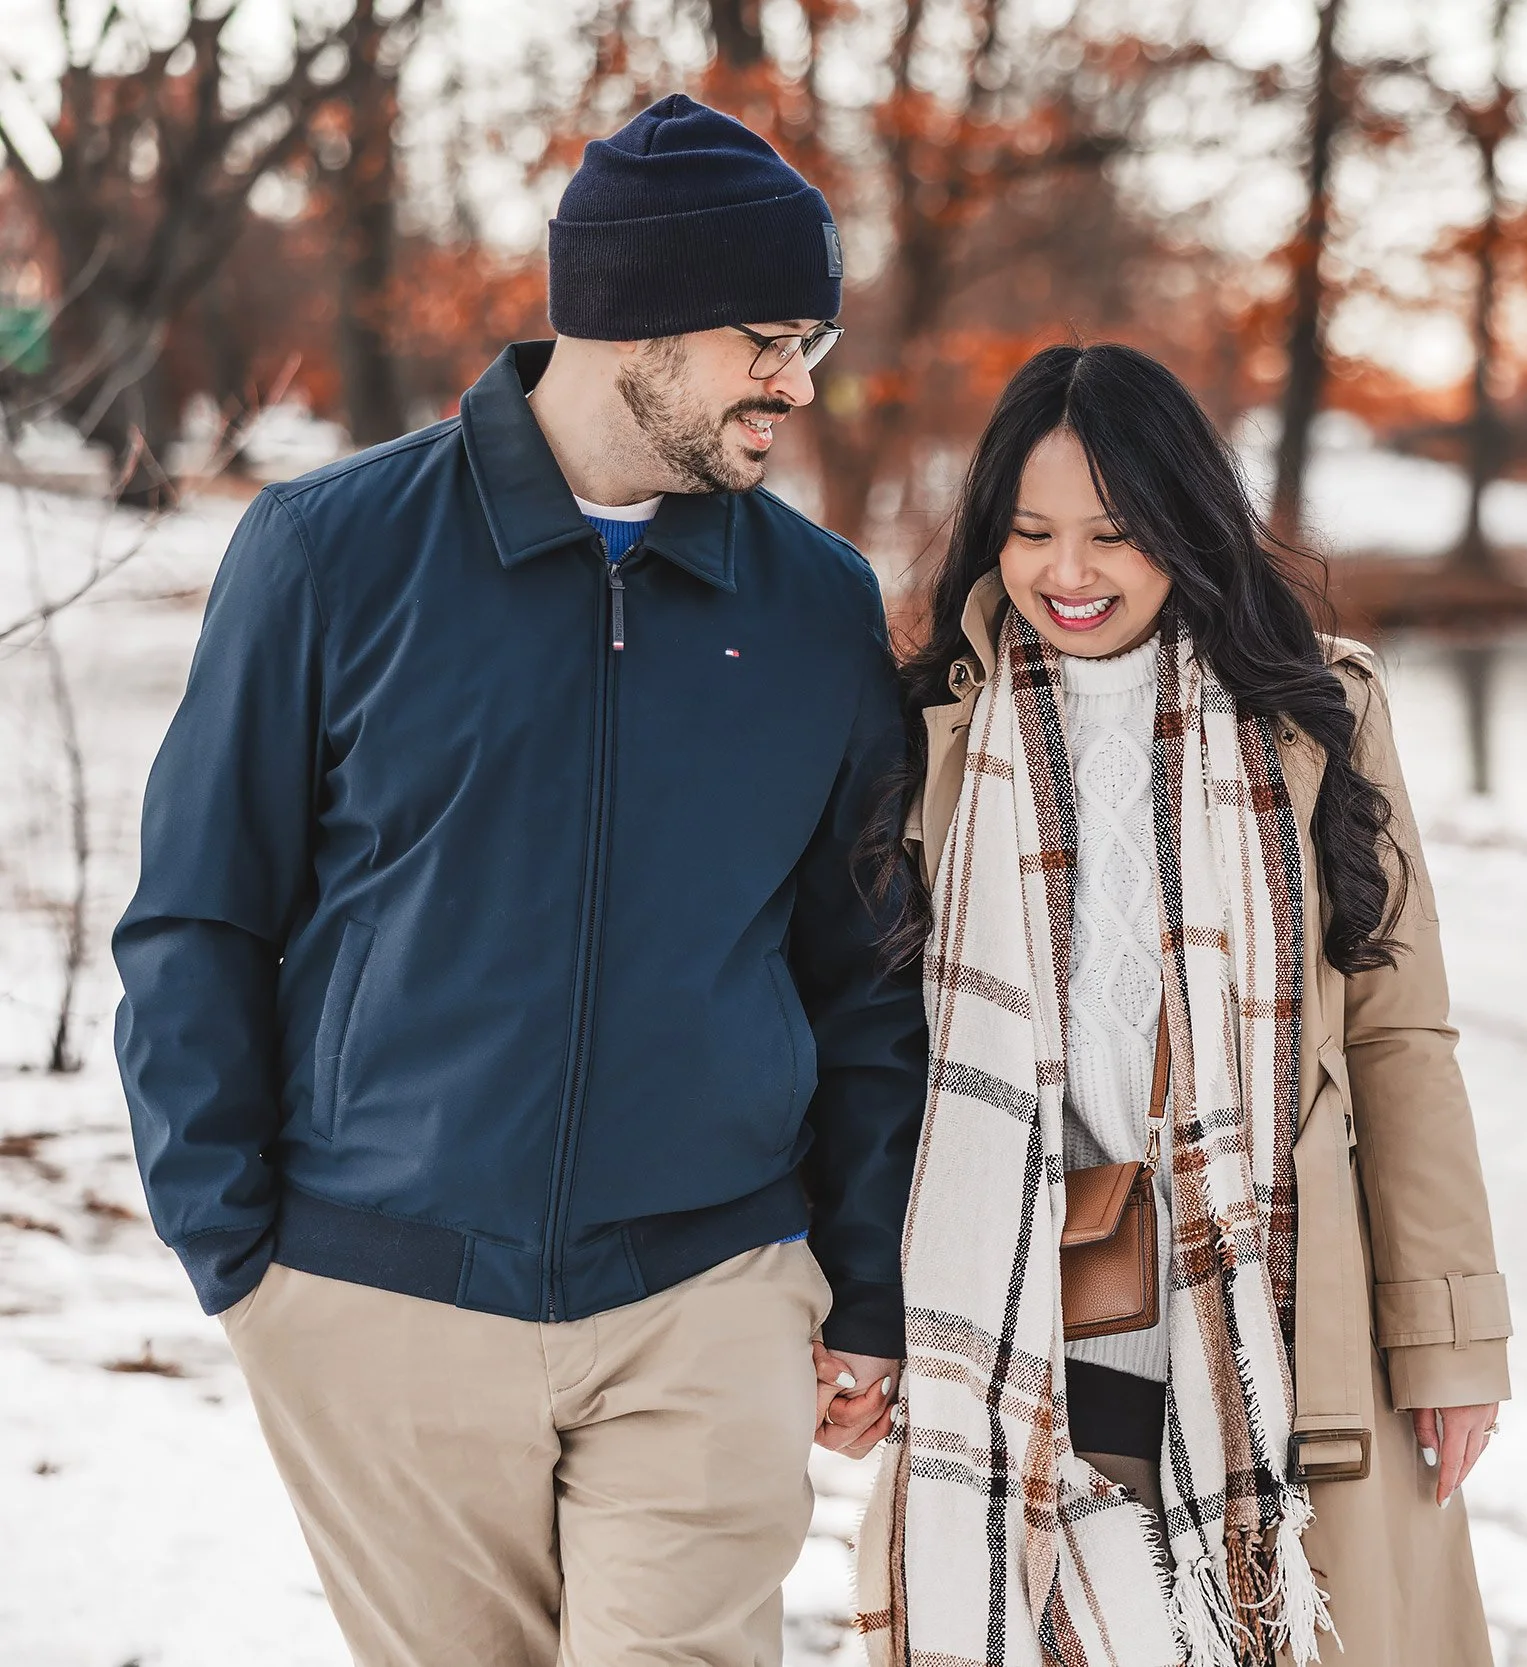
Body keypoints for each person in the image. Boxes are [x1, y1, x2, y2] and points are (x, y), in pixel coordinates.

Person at [112, 94, 923, 1666]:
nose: (794, 383)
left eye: (811, 342)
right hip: (381, 1291)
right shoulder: (330, 553)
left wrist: (866, 1281)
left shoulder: (817, 604)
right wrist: (241, 1254)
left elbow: (862, 969)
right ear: (631, 316)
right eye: (768, 336)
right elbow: (200, 911)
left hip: (711, 1286)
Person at [855, 342, 1513, 1667]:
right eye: (1033, 533)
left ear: (1186, 528)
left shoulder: (1314, 716)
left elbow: (1398, 1034)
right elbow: (871, 1048)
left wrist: (1449, 1337)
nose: (1069, 573)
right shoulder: (924, 729)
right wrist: (853, 1314)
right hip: (1024, 1310)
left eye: (1114, 532)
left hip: (1275, 1306)